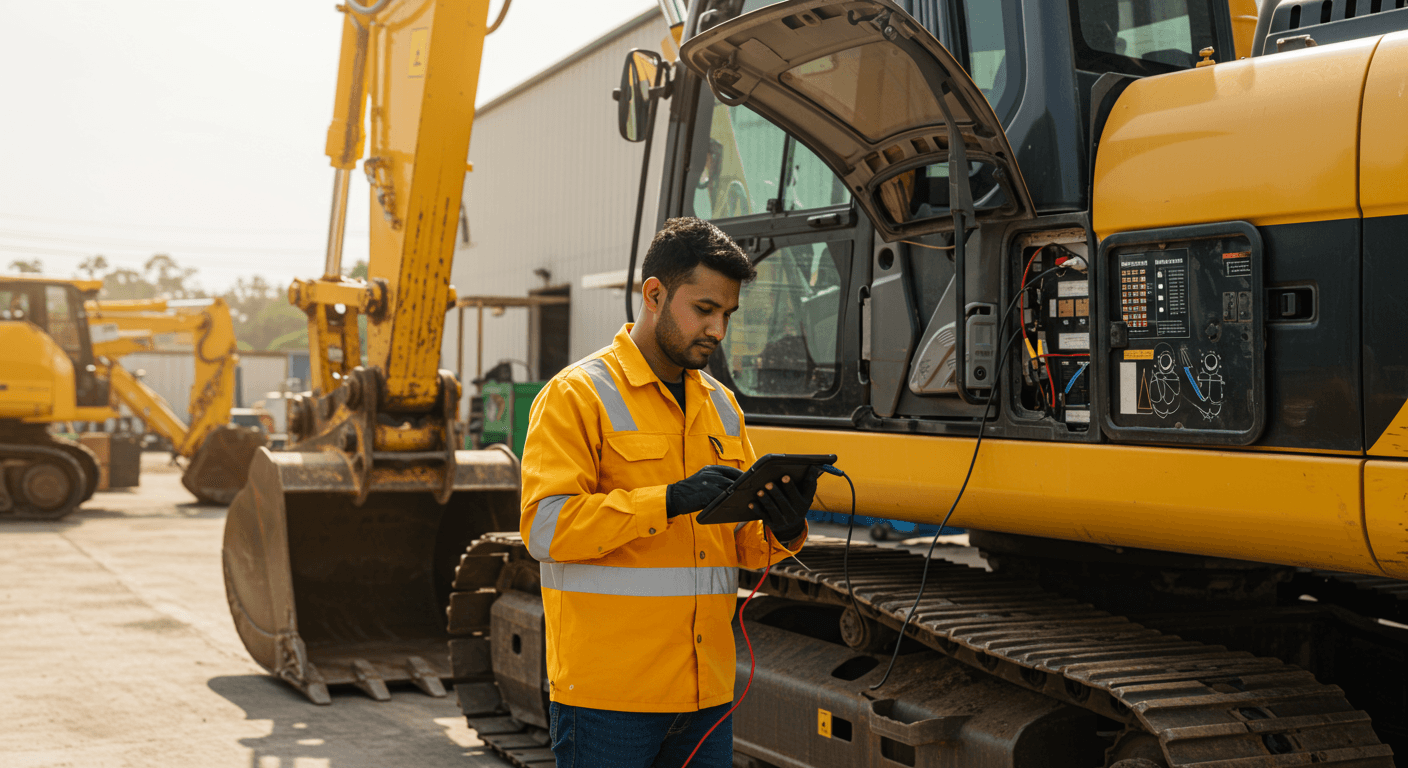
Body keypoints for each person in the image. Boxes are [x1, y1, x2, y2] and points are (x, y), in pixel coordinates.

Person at [520, 217, 819, 767]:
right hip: (610, 699)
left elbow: (746, 547)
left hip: (705, 695)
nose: (718, 330)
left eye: (727, 314)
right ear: (653, 294)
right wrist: (667, 500)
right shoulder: (576, 395)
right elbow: (545, 530)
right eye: (704, 310)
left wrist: (784, 526)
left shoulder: (722, 405)